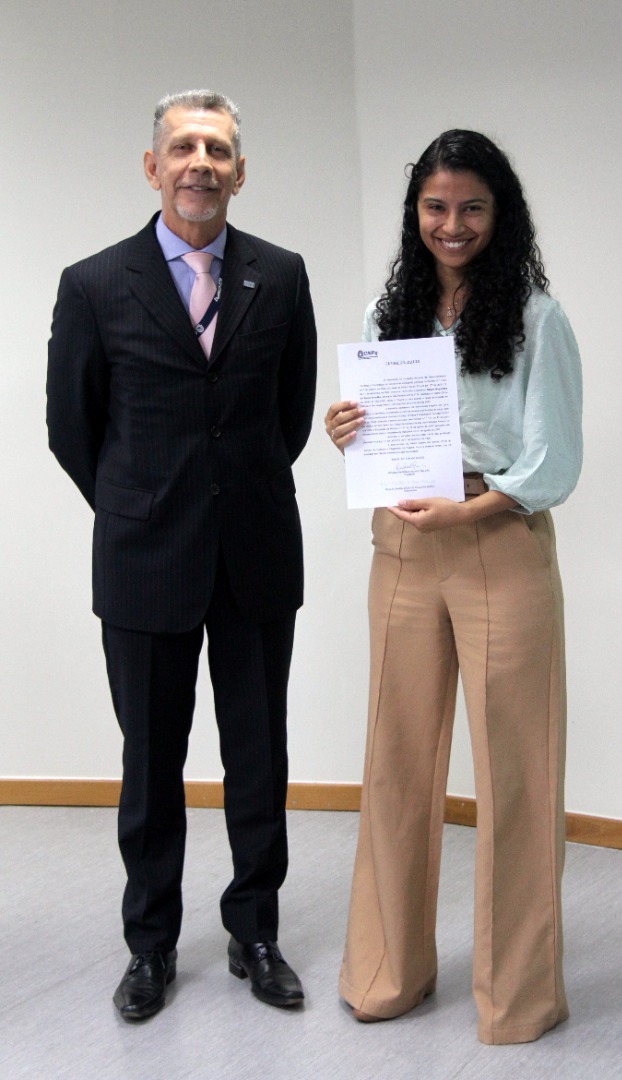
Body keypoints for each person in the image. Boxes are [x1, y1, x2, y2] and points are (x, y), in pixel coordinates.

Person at [47, 90, 316, 1021]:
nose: (200, 162)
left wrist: (228, 495)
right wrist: (144, 505)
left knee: (259, 757)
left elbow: (289, 417)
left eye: (218, 149)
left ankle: (255, 933)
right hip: (143, 560)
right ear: (152, 166)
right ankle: (151, 946)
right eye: (183, 147)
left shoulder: (281, 275)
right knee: (151, 766)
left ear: (240, 173)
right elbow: (72, 427)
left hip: (255, 556)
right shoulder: (93, 283)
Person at [325, 129, 582, 1045]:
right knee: (394, 760)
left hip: (498, 538)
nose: (452, 224)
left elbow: (554, 457)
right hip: (401, 542)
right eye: (435, 207)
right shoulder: (385, 313)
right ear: (415, 214)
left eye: (471, 206)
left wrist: (471, 510)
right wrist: (345, 430)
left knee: (516, 771)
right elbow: (378, 438)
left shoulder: (537, 318)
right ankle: (385, 971)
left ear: (498, 213)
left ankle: (518, 996)